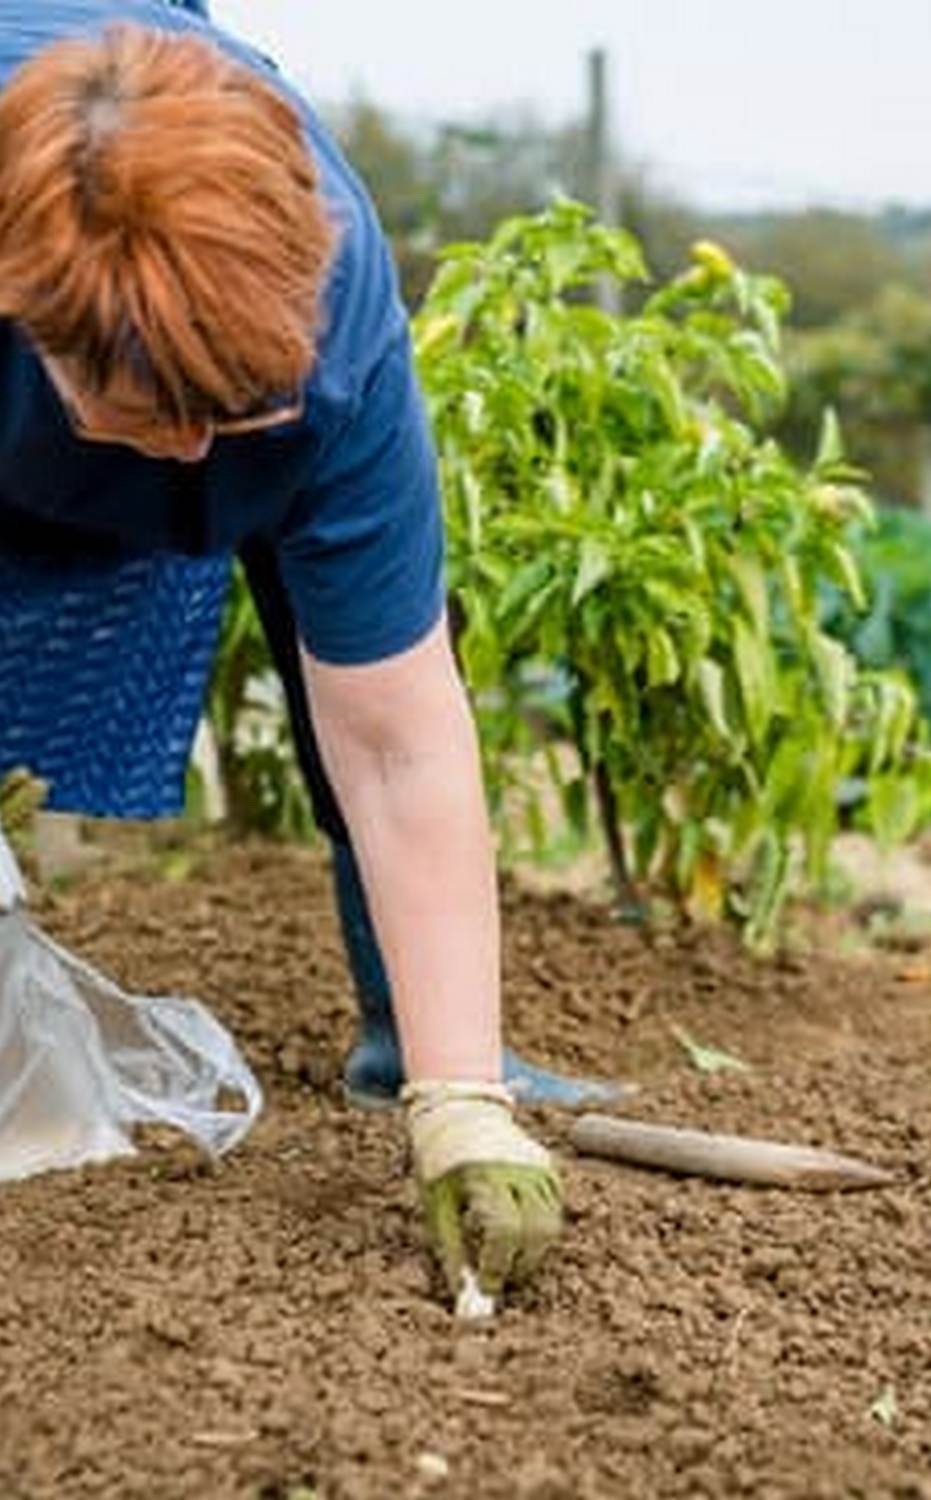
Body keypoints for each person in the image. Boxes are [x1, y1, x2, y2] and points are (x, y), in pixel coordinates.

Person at [0, 2, 620, 1300]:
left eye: (228, 416)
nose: (188, 458)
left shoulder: (334, 306)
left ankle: (411, 1040)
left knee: (374, 643)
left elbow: (397, 742)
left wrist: (464, 1099)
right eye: (145, 418)